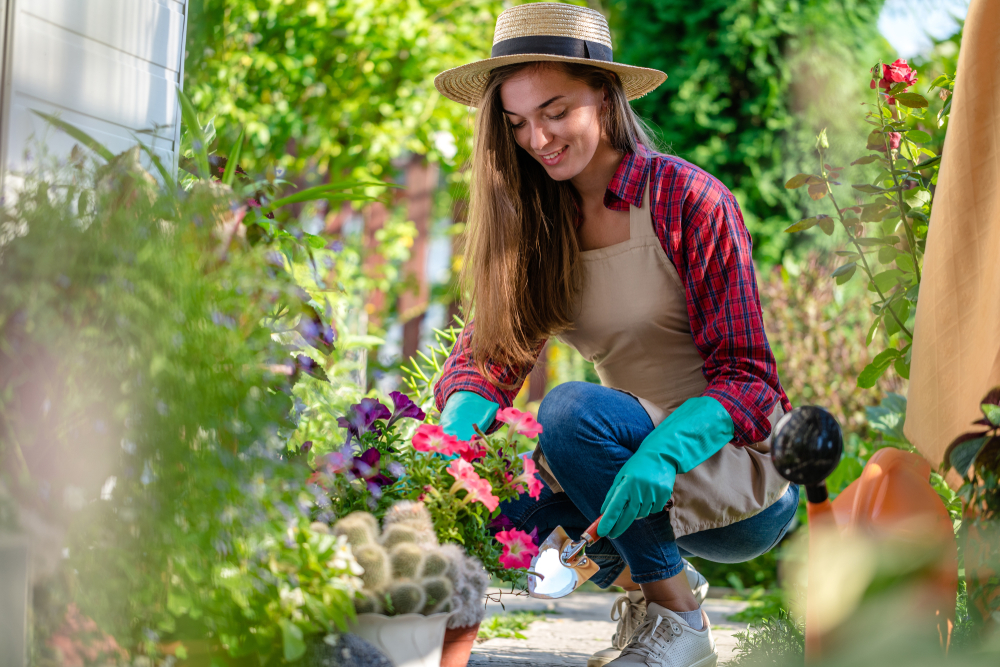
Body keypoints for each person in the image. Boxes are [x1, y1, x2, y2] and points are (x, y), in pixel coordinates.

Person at [432, 4, 799, 667]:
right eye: (516, 123)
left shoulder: (686, 198)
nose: (538, 138)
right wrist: (447, 442)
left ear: (604, 93)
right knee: (491, 495)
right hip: (622, 467)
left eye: (555, 111)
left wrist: (661, 452)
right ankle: (650, 582)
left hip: (743, 475)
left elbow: (750, 379)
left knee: (568, 412)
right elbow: (489, 357)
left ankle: (680, 623)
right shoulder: (541, 224)